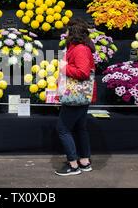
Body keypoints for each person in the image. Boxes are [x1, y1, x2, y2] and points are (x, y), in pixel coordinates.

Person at [55, 19, 97, 176]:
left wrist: (64, 68)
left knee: (62, 129)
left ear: (72, 33)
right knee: (80, 128)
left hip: (76, 95)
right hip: (81, 95)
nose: (65, 33)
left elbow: (83, 72)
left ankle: (73, 165)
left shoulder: (80, 49)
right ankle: (84, 162)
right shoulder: (80, 47)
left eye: (67, 31)